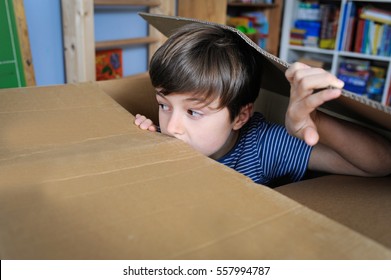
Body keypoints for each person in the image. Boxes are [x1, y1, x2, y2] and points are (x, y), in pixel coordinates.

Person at [134, 23, 391, 187]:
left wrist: (316, 123)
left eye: (193, 111)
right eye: (164, 105)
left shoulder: (261, 147)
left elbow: (381, 164)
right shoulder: (167, 134)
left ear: (240, 116)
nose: (172, 127)